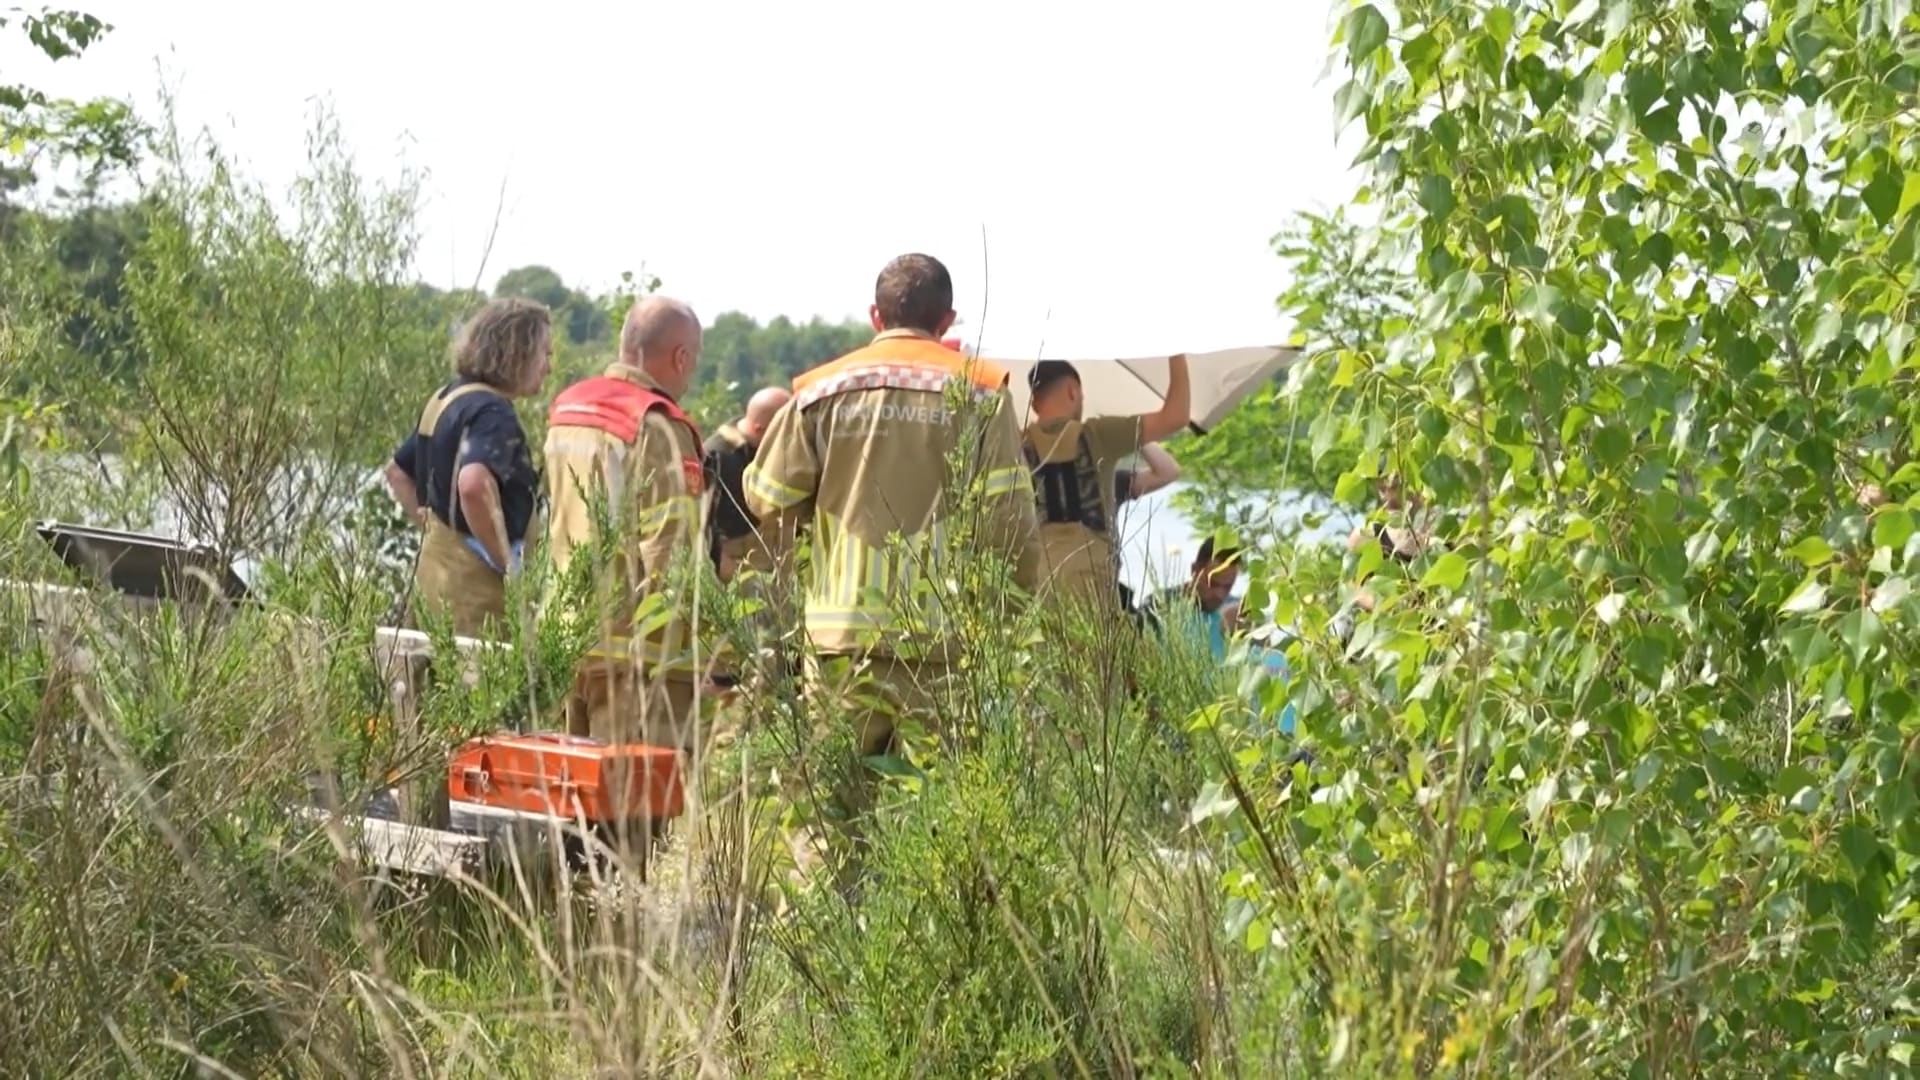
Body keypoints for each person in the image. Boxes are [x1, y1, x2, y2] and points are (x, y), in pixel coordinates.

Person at [743, 251, 1040, 781]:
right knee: (937, 821)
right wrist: (1007, 625)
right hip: (942, 646)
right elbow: (1010, 524)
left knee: (833, 817)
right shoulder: (982, 395)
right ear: (947, 321)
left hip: (839, 645)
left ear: (875, 317)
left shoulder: (821, 391)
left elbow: (767, 498)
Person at [541, 294, 714, 762]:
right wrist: (709, 648)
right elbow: (669, 552)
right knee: (631, 817)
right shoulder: (655, 425)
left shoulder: (568, 411)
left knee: (568, 804)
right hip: (632, 657)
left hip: (567, 635)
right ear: (681, 357)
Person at [385, 296, 551, 640]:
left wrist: (438, 533)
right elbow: (473, 485)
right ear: (516, 352)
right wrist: (509, 566)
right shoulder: (493, 412)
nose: (548, 366)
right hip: (476, 599)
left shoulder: (447, 398)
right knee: (485, 691)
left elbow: (398, 473)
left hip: (434, 580)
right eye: (544, 353)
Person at [1022, 354, 1190, 615]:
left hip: (1037, 584)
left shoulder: (1017, 442)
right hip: (1091, 580)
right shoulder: (1097, 434)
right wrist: (1177, 352)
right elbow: (1176, 416)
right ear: (1073, 391)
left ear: (1033, 403)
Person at [703, 385, 793, 581]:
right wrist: (719, 560)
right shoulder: (717, 457)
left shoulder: (770, 450)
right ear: (759, 429)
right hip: (736, 566)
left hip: (774, 564)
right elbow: (701, 520)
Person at [1140, 537, 1244, 665]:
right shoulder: (1158, 606)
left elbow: (1272, 663)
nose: (1219, 594)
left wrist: (1258, 636)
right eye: (1213, 584)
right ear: (1194, 570)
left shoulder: (1239, 612)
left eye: (1228, 586)